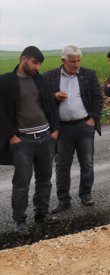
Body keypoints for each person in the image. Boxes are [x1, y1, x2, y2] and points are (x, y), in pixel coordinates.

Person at [0, 46, 60, 235]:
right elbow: (1, 111)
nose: (38, 67)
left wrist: (55, 129)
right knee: (22, 182)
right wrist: (12, 136)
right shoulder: (6, 81)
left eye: (40, 63)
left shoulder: (40, 80)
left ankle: (42, 213)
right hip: (22, 141)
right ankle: (20, 221)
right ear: (22, 59)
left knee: (44, 179)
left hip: (45, 136)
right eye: (35, 62)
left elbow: (49, 104)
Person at [44, 45, 103, 212]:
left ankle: (86, 194)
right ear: (63, 61)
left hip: (84, 126)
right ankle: (64, 200)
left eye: (78, 61)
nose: (76, 65)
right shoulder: (50, 77)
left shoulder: (88, 74)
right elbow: (42, 100)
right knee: (62, 165)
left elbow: (98, 98)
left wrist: (92, 119)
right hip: (62, 129)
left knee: (87, 163)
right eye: (72, 61)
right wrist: (53, 96)